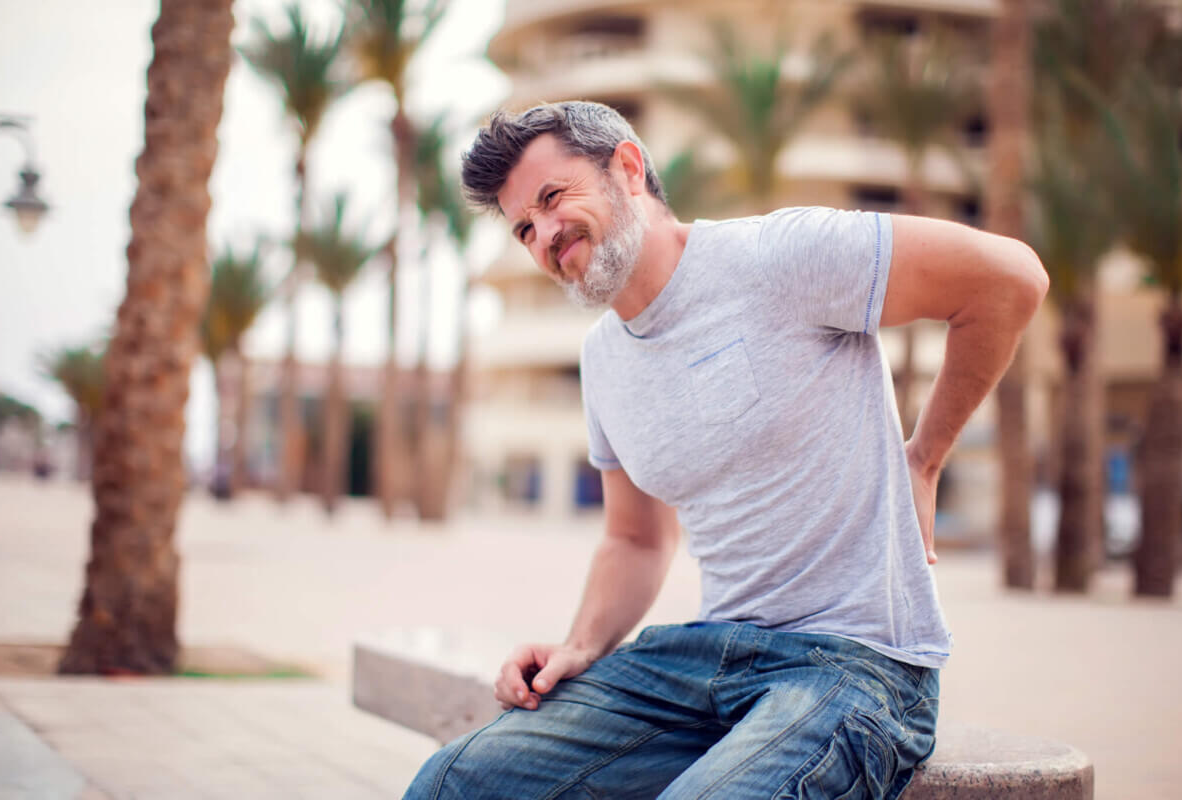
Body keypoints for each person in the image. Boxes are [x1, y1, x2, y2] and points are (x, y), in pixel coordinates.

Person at [404, 101, 1048, 799]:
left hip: (858, 665)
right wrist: (579, 646)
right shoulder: (603, 361)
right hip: (703, 662)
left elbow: (1009, 280)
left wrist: (923, 457)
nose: (545, 235)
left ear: (627, 168)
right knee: (454, 782)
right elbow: (635, 537)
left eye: (553, 197)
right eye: (524, 227)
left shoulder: (778, 255)